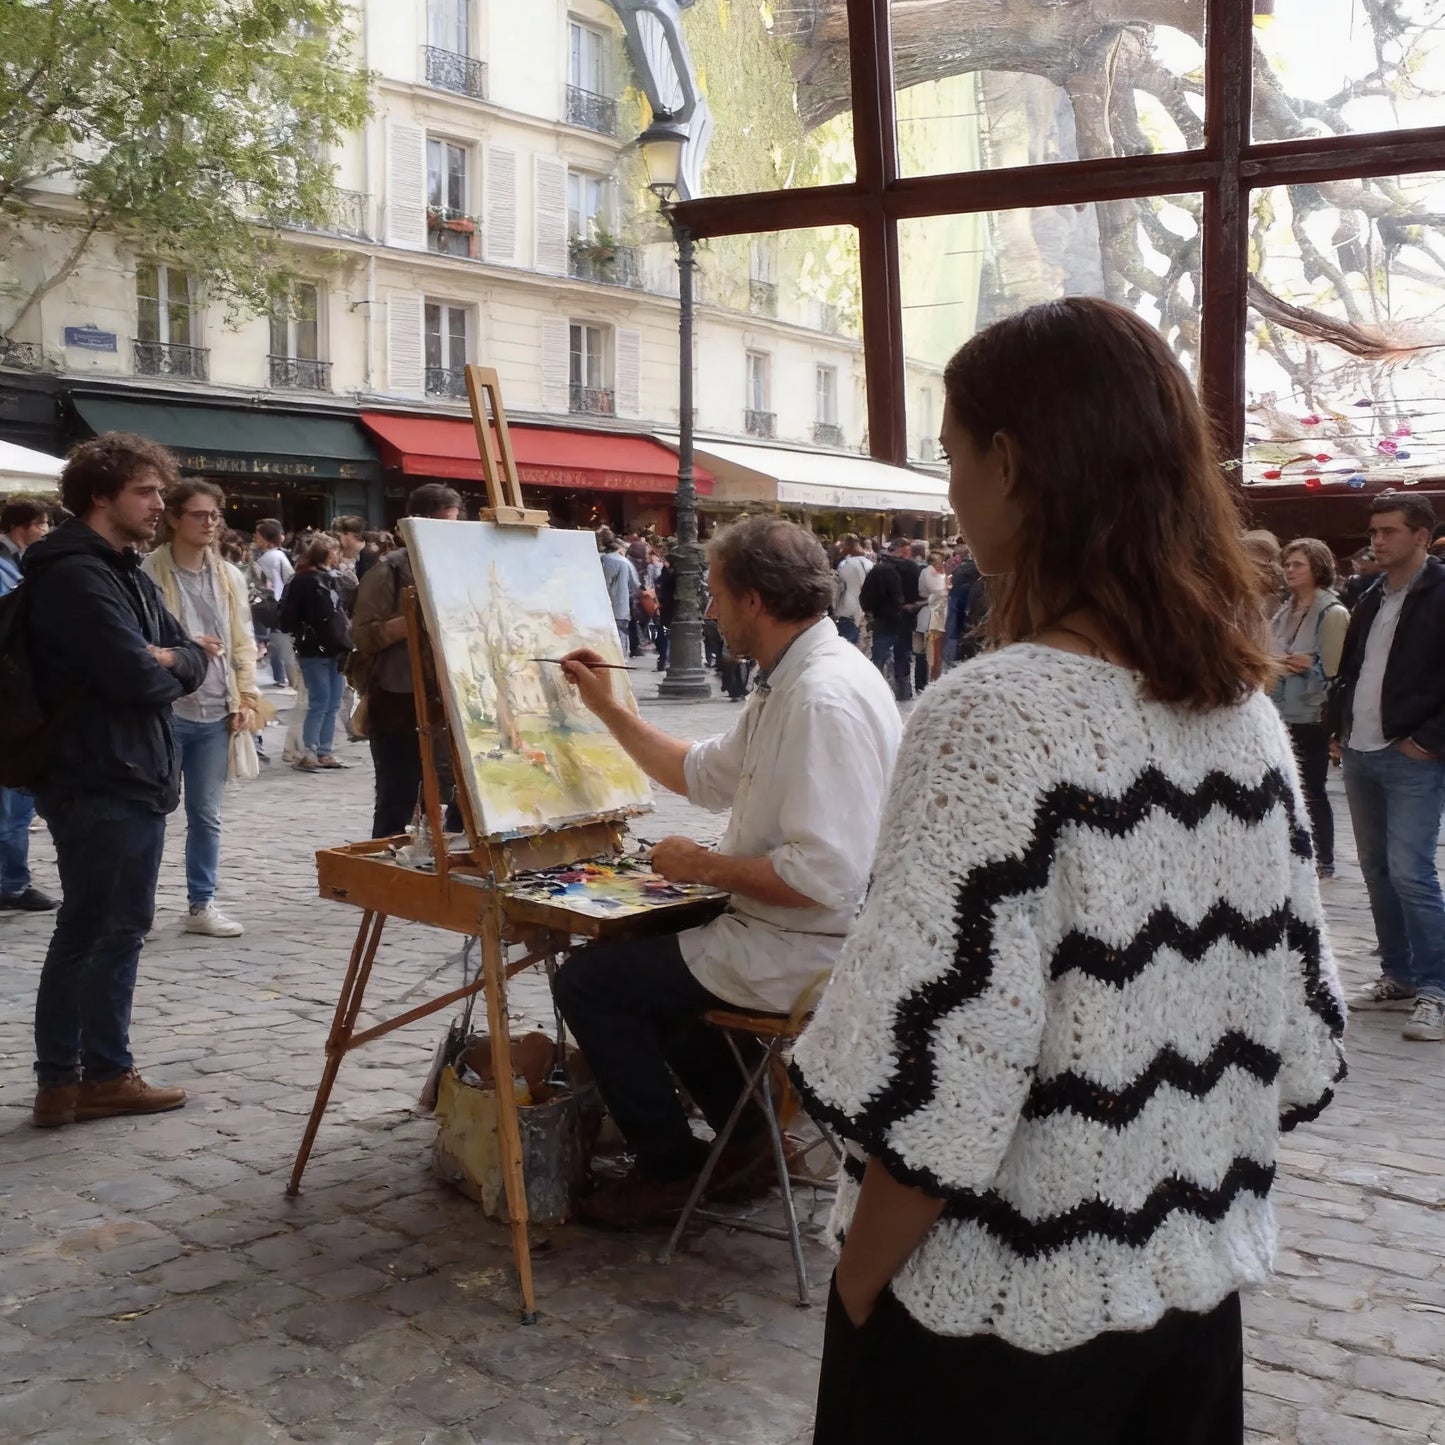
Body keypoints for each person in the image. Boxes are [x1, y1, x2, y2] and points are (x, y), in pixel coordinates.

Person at [790, 298, 1345, 1443]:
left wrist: (856, 1283)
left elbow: (932, 1080)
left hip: (993, 1320)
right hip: (1186, 1305)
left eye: (950, 456)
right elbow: (1297, 1034)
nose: (947, 491)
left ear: (1010, 460)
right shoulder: (1239, 719)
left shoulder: (994, 717)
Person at [553, 516, 902, 1227]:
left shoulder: (818, 697)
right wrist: (606, 708)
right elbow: (701, 773)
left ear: (754, 601)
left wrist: (703, 866)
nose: (708, 611)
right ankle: (744, 1143)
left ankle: (673, 1168)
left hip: (810, 947)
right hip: (791, 931)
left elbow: (822, 876)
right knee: (638, 957)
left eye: (714, 594)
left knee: (587, 981)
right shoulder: (794, 678)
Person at [23, 433, 209, 1127]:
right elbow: (138, 675)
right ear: (101, 495)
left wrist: (171, 656)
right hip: (99, 774)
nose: (159, 503)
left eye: (160, 490)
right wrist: (166, 660)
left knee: (116, 924)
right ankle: (75, 1076)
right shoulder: (77, 574)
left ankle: (90, 1074)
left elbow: (190, 655)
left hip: (130, 770)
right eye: (146, 491)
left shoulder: (121, 567)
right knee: (94, 925)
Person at [1329, 492, 1445, 1041]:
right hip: (1361, 751)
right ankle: (1397, 974)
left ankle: (1435, 990)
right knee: (1375, 871)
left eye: (1390, 531)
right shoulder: (1371, 594)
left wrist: (1429, 740)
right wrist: (1341, 726)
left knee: (1412, 873)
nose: (1377, 540)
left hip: (1412, 755)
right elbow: (1355, 668)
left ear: (1421, 536)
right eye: (1374, 531)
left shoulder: (1441, 593)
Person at [142, 481, 260, 937]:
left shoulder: (229, 575)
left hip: (217, 709)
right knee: (152, 810)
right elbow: (138, 642)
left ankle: (201, 904)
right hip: (166, 710)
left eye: (215, 515)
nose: (210, 523)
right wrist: (185, 647)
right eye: (199, 515)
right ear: (173, 518)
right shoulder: (149, 573)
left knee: (206, 815)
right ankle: (139, 906)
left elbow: (243, 643)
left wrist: (245, 697)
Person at [351, 484, 462, 836]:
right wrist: (408, 623)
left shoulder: (458, 566)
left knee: (464, 793)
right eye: (439, 525)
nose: (446, 534)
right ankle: (385, 875)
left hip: (450, 697)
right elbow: (363, 636)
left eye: (453, 525)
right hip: (398, 699)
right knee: (397, 796)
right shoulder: (388, 572)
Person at [1267, 538, 1349, 879]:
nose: (1290, 570)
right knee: (1284, 786)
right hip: (1281, 708)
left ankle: (1322, 857)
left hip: (1311, 712)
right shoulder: (1285, 609)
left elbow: (1338, 671)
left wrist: (1309, 664)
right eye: (1287, 564)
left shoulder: (1331, 612)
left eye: (1297, 564)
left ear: (1317, 567)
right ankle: (1293, 851)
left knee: (1313, 788)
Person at [0, 497, 57, 912]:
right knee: (14, 801)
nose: (46, 531)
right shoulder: (8, 569)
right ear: (25, 526)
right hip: (12, 700)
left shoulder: (15, 564)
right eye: (43, 524)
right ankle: (12, 882)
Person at [277, 535, 352, 772]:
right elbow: (289, 616)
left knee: (333, 701)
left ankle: (324, 751)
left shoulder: (331, 579)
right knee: (321, 700)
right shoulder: (303, 580)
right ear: (326, 554)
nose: (337, 554)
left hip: (336, 646)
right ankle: (309, 751)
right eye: (334, 551)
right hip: (314, 647)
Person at [859, 537, 921, 700]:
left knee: (879, 655)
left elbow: (866, 597)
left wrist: (871, 613)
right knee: (903, 657)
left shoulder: (879, 570)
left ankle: (876, 692)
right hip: (906, 621)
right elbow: (919, 594)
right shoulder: (914, 569)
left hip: (883, 620)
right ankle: (903, 692)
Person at [252, 518, 295, 687]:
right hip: (276, 603)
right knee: (278, 641)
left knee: (277, 641)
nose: (255, 538)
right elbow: (290, 577)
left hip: (269, 603)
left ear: (265, 537)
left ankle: (282, 676)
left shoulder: (267, 557)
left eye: (258, 535)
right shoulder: (279, 555)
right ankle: (284, 676)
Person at [596, 527, 637, 658]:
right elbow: (635, 585)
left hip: (601, 605)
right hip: (621, 604)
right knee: (621, 633)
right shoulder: (625, 563)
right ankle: (622, 657)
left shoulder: (599, 560)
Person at [832, 534, 871, 646]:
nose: (841, 548)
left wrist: (835, 608)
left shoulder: (845, 563)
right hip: (863, 608)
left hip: (847, 609)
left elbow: (839, 588)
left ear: (850, 545)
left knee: (845, 642)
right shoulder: (869, 563)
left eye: (843, 545)